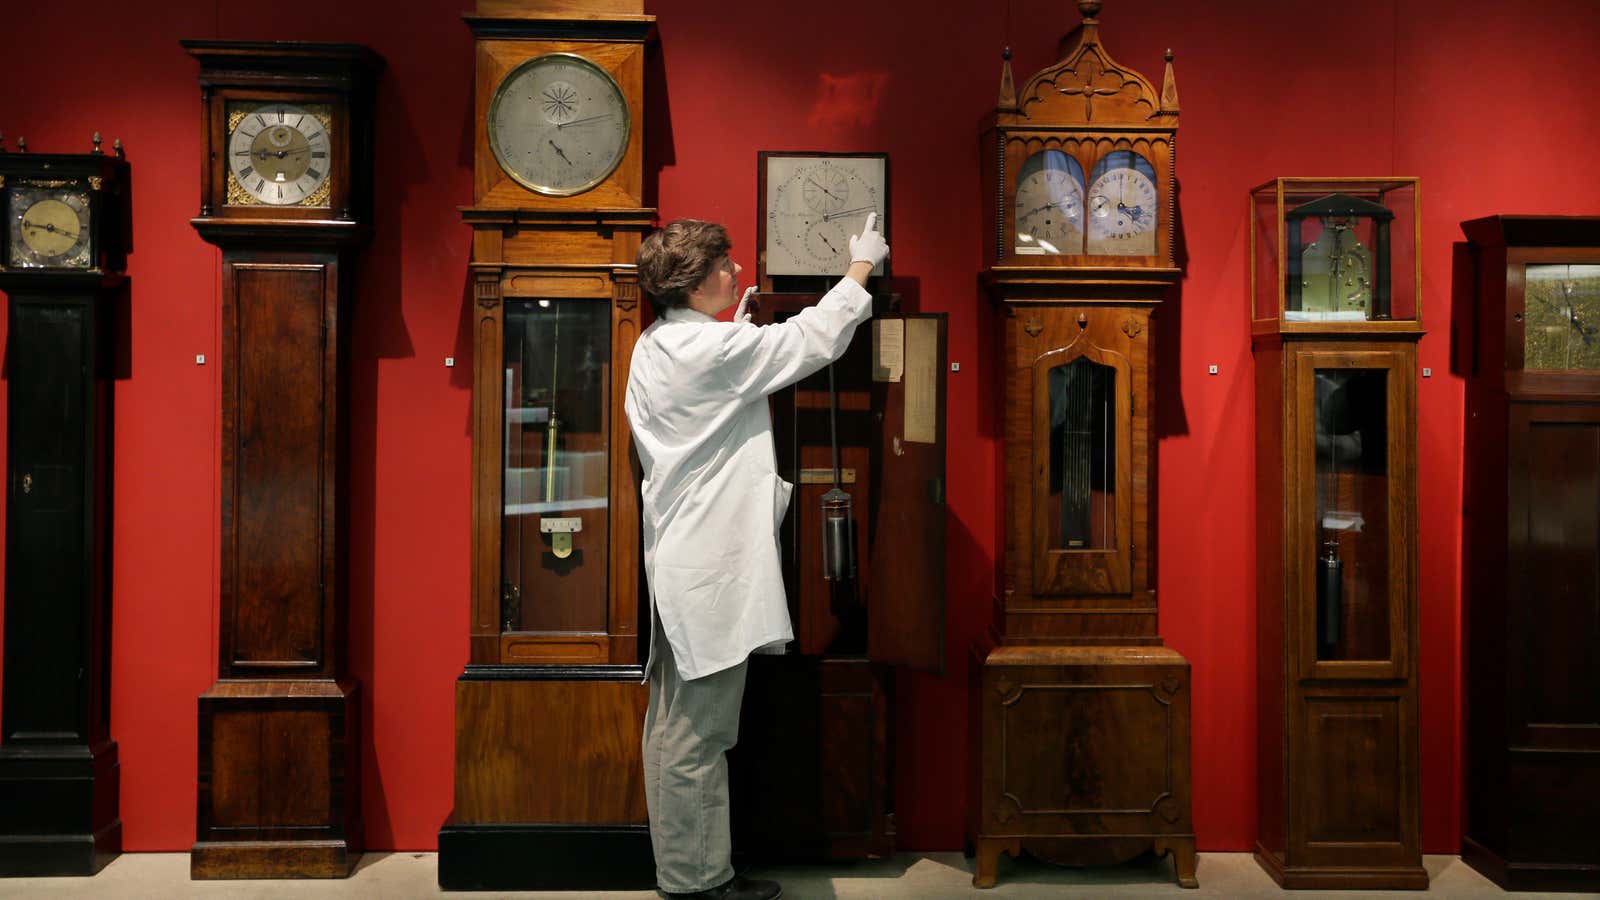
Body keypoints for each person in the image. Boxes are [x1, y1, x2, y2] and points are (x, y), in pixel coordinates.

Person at [625, 215, 890, 900]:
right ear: (694, 280)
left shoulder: (659, 344)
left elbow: (724, 369)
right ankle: (695, 882)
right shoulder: (712, 353)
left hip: (685, 564)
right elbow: (809, 339)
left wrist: (731, 327)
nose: (737, 272)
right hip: (707, 572)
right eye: (726, 265)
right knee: (697, 736)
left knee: (678, 728)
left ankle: (691, 872)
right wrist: (860, 267)